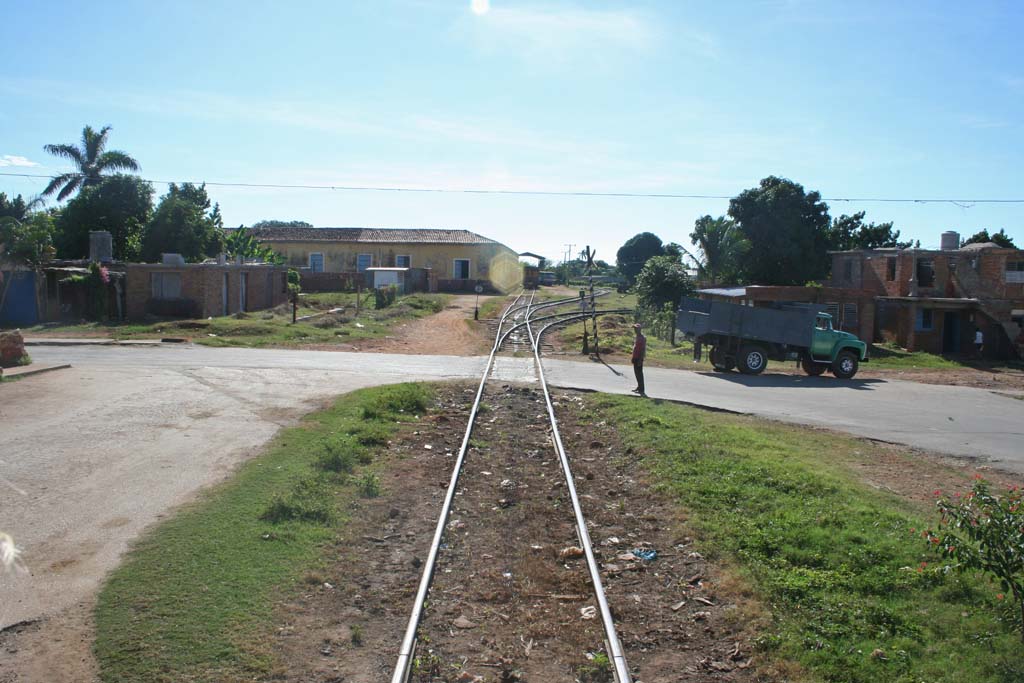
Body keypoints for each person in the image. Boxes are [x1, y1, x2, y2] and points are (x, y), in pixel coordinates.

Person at [631, 323, 647, 396]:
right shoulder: (637, 337)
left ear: (640, 329)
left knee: (639, 373)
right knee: (636, 373)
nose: (635, 330)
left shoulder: (642, 338)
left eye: (636, 329)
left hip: (639, 358)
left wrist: (640, 359)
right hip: (635, 357)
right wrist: (633, 357)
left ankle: (641, 389)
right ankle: (639, 387)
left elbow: (643, 350)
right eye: (634, 329)